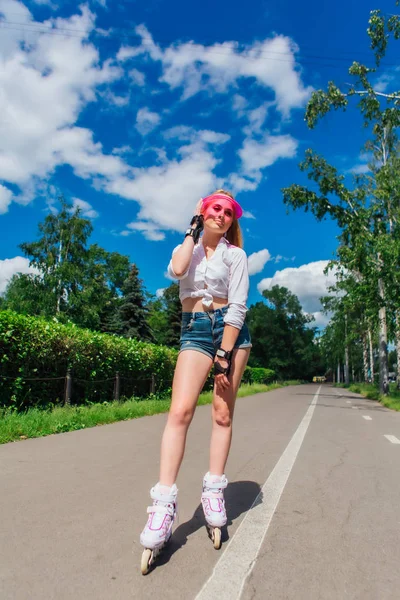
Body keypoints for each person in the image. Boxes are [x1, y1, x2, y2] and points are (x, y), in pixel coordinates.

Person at [140, 189, 251, 570]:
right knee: (180, 411)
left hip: (230, 333)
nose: (221, 215)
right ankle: (163, 505)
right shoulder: (186, 247)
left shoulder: (236, 256)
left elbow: (238, 305)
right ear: (203, 212)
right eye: (214, 208)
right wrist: (191, 230)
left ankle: (214, 492)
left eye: (228, 212)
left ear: (232, 221)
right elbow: (177, 270)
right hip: (194, 330)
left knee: (222, 415)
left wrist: (225, 353)